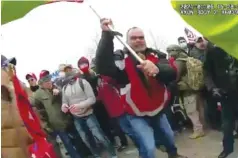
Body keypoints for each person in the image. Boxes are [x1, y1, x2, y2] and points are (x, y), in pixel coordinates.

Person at [94, 18, 187, 158]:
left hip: (158, 110)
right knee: (148, 148)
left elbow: (172, 73)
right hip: (136, 114)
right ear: (127, 40)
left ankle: (173, 154)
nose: (138, 40)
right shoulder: (120, 59)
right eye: (133, 38)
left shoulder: (157, 55)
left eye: (141, 37)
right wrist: (106, 35)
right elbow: (102, 66)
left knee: (169, 137)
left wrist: (157, 69)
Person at [204, 46, 238, 158]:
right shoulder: (213, 51)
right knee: (227, 126)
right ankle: (227, 149)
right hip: (226, 97)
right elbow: (207, 72)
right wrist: (212, 88)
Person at [61, 68, 116, 158]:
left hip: (88, 114)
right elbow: (64, 101)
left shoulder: (83, 82)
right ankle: (96, 154)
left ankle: (112, 153)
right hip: (76, 117)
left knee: (99, 136)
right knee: (86, 139)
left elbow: (92, 99)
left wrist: (79, 105)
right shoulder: (64, 88)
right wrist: (64, 107)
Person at [78, 56, 128, 152]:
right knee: (103, 125)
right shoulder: (82, 80)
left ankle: (121, 140)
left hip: (104, 103)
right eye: (81, 64)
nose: (83, 66)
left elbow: (113, 85)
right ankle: (112, 141)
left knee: (113, 123)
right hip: (94, 104)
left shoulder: (97, 76)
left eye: (85, 64)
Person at [30, 70, 81, 158]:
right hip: (56, 123)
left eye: (49, 78)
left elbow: (66, 98)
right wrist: (45, 124)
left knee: (77, 139)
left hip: (67, 119)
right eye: (45, 80)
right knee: (67, 143)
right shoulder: (38, 94)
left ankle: (85, 154)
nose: (49, 81)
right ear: (41, 82)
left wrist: (59, 92)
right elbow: (38, 110)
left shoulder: (56, 87)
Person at [167, 44, 205, 139]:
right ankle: (202, 126)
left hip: (187, 88)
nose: (170, 54)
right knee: (199, 108)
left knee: (191, 111)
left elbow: (176, 76)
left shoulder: (179, 62)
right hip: (195, 87)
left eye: (170, 51)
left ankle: (198, 130)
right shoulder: (187, 58)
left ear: (176, 51)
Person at [1, 55, 33, 158]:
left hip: (30, 147)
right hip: (11, 152)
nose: (11, 68)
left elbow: (31, 111)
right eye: (7, 66)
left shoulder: (18, 86)